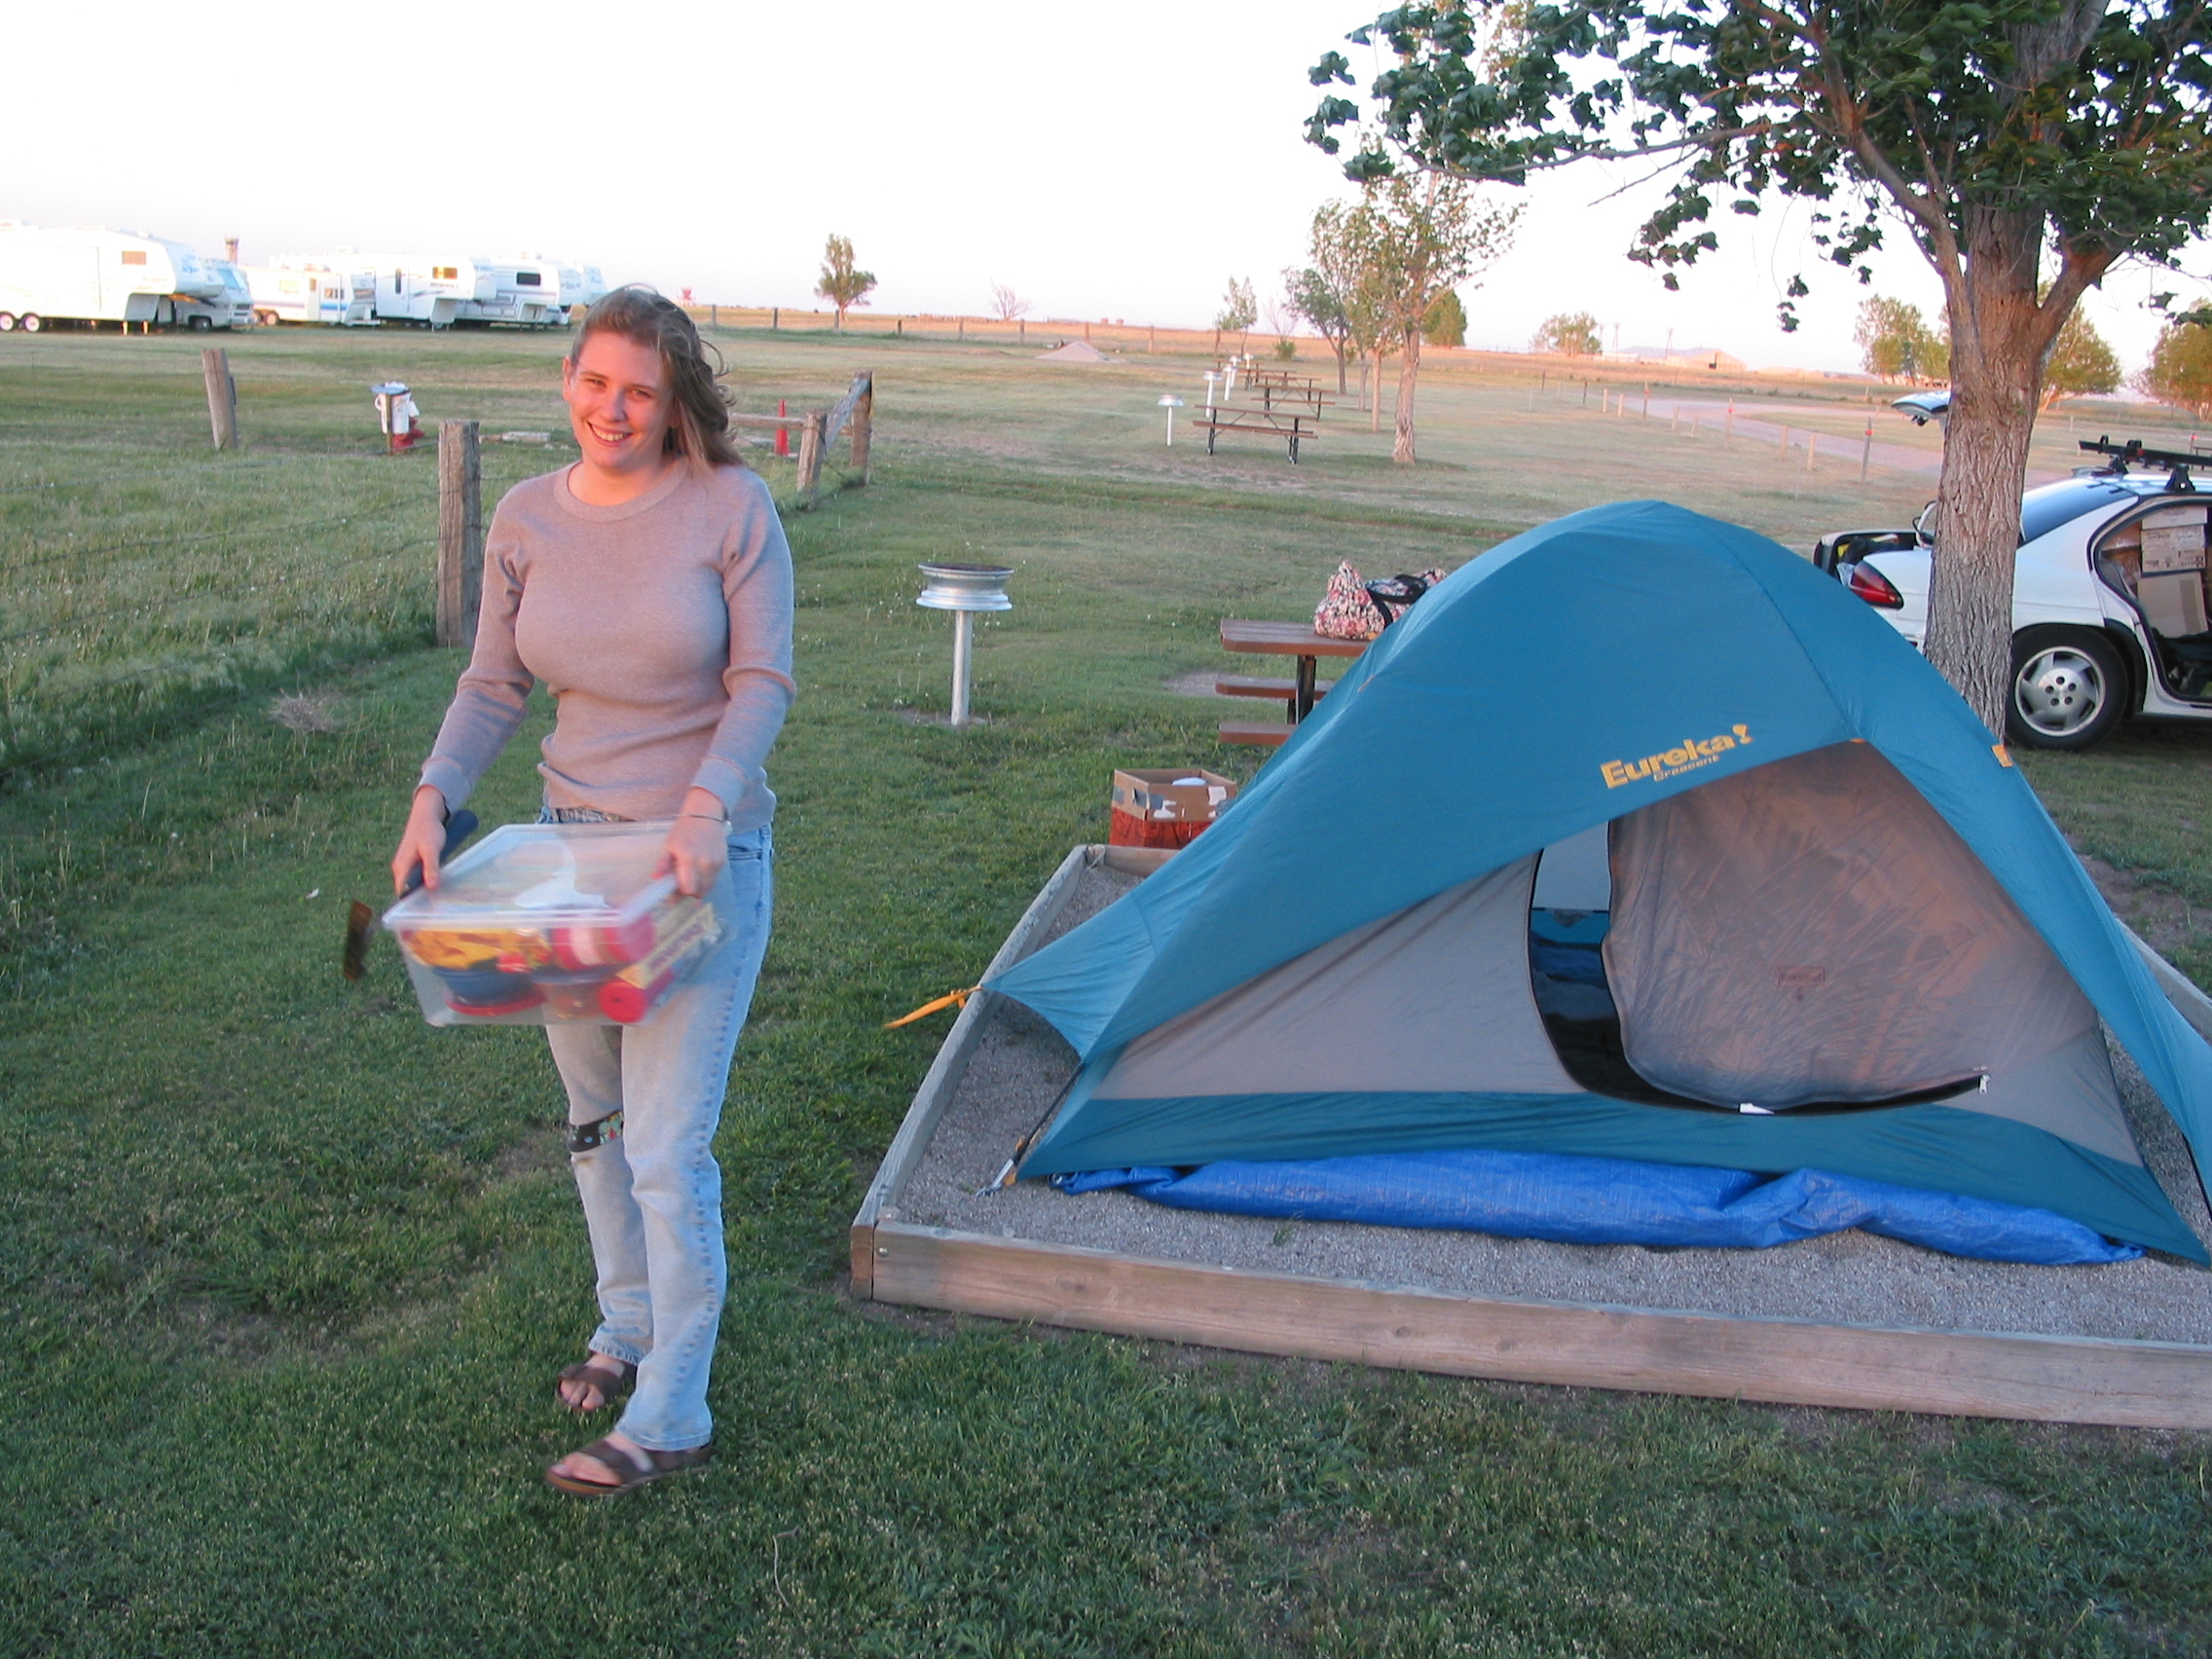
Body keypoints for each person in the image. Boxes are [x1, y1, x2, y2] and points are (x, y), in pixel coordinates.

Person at [390, 286, 794, 1495]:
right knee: (595, 1127)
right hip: (570, 866)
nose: (613, 410)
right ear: (566, 377)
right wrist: (429, 792)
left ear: (675, 403)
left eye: (640, 391)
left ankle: (674, 1406)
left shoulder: (730, 506)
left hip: (693, 864)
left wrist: (711, 803)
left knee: (667, 1147)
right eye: (595, 382)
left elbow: (764, 680)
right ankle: (624, 1327)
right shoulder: (525, 518)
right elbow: (493, 686)